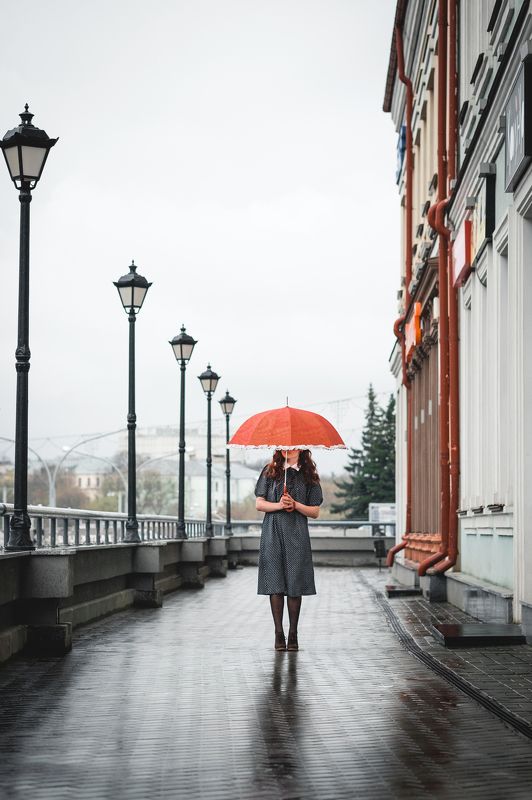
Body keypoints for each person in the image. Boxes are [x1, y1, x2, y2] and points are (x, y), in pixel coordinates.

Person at [254, 449, 323, 651]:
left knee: (295, 582)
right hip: (272, 531)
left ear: (301, 448)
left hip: (296, 533)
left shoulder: (309, 474)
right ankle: (278, 633)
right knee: (275, 582)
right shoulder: (270, 471)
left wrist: (295, 505)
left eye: (293, 445)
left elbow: (315, 511)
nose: (289, 449)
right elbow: (259, 503)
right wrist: (279, 505)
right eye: (284, 446)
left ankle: (293, 633)